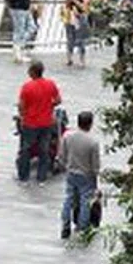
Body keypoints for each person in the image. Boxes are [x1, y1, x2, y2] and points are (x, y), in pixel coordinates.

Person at [17, 60, 63, 184]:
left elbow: (21, 106)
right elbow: (58, 100)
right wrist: (50, 105)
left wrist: (23, 116)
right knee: (44, 150)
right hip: (46, 123)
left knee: (26, 150)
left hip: (30, 123)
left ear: (32, 72)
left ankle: (23, 177)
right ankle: (41, 177)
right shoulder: (50, 84)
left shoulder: (27, 87)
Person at [59, 110, 102, 239]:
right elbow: (95, 165)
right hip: (86, 176)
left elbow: (62, 156)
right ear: (90, 124)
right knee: (85, 202)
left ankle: (65, 225)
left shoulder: (67, 136)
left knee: (68, 199)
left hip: (71, 173)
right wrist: (95, 178)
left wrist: (66, 166)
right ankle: (81, 228)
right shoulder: (93, 142)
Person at [63, 0, 91, 67]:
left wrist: (74, 0)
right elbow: (67, 6)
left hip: (80, 17)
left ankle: (82, 60)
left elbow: (85, 8)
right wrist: (67, 2)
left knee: (80, 40)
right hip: (70, 17)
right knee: (69, 39)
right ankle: (69, 58)